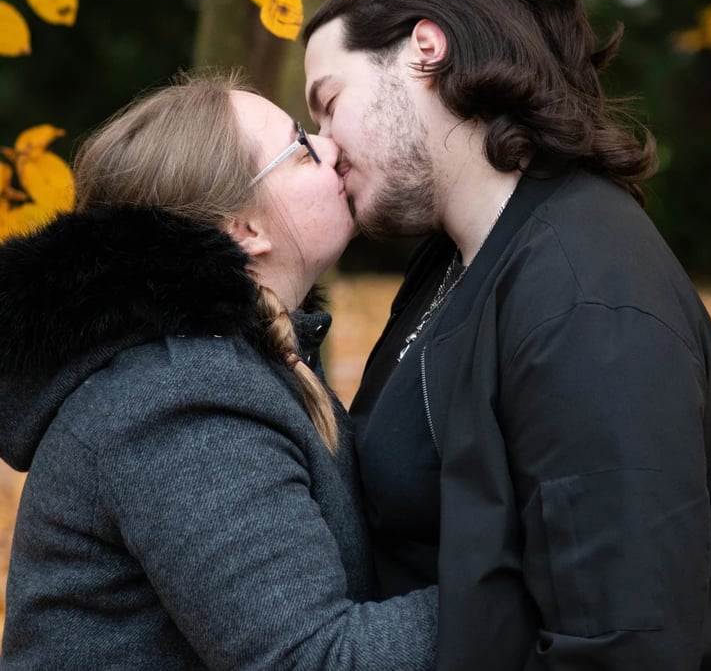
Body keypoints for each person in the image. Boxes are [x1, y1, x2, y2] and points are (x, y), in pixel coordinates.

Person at [303, 0, 711, 671]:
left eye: (329, 103)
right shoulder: (460, 260)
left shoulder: (586, 289)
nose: (324, 147)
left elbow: (620, 644)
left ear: (425, 49)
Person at [0, 72, 437, 669]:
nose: (332, 147)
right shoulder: (180, 401)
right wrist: (541, 594)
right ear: (244, 229)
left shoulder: (230, 368)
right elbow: (312, 658)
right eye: (302, 148)